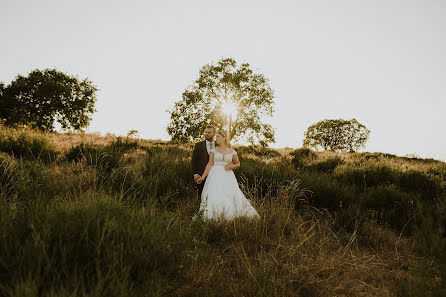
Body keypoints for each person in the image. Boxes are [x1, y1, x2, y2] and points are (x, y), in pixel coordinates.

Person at [195, 131, 260, 221]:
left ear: (224, 138)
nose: (216, 139)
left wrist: (232, 166)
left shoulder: (231, 151)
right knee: (216, 193)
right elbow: (209, 164)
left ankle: (231, 214)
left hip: (228, 175)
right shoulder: (213, 150)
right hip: (215, 175)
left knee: (231, 193)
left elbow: (238, 163)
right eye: (216, 137)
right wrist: (202, 177)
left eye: (218, 137)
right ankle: (215, 214)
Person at [191, 126, 216, 197]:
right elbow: (194, 161)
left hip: (216, 175)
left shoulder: (219, 145)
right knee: (202, 196)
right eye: (205, 132)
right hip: (201, 175)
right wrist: (195, 173)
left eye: (209, 132)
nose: (206, 134)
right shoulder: (198, 145)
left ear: (214, 134)